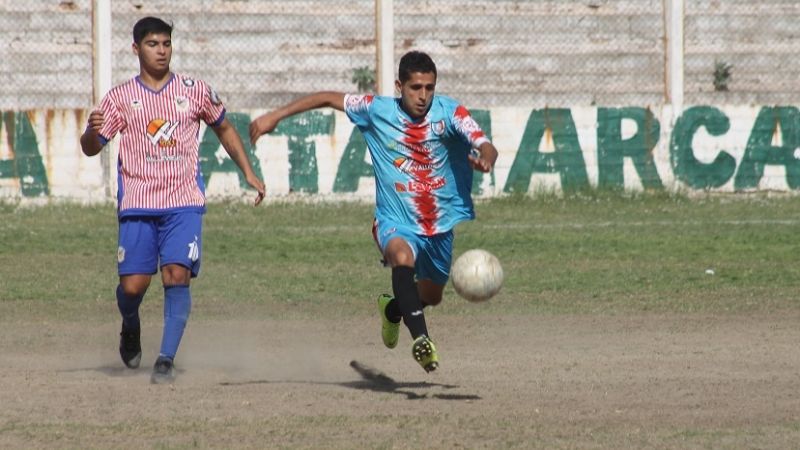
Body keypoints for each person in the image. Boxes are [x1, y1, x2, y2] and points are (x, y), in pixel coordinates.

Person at [249, 51, 497, 373]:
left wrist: (487, 158)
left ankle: (393, 311)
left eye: (429, 88)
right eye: (415, 87)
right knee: (401, 257)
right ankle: (422, 340)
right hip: (394, 220)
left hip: (439, 224)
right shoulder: (377, 110)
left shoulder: (450, 112)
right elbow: (327, 98)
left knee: (432, 296)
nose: (423, 96)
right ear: (399, 85)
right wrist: (275, 116)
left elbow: (484, 142)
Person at [80, 17, 265, 383]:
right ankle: (130, 323)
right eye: (153, 44)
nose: (161, 50)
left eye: (166, 43)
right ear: (136, 49)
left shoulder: (194, 90)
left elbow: (224, 127)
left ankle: (165, 359)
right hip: (137, 203)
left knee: (176, 275)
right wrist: (91, 130)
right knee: (133, 287)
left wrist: (248, 170)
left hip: (183, 201)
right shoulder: (119, 99)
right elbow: (90, 148)